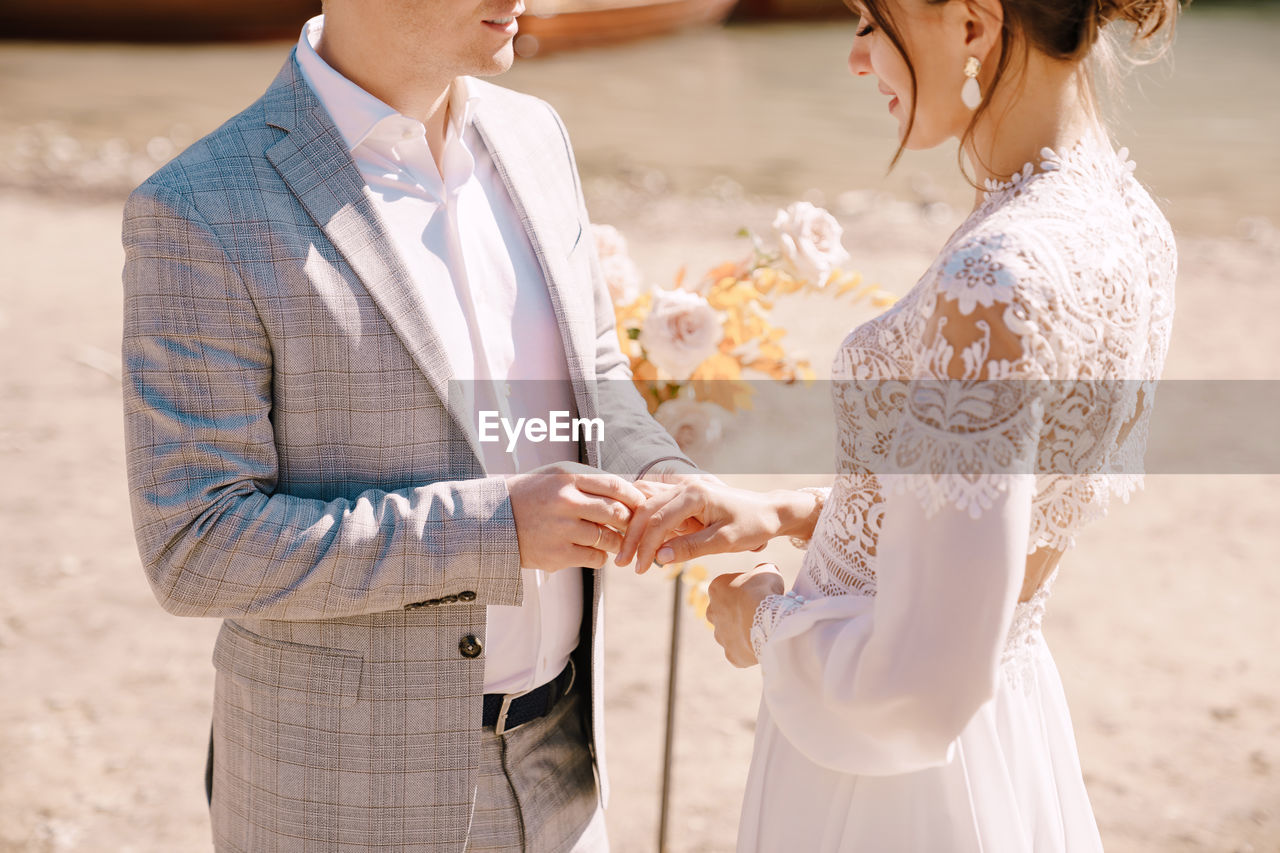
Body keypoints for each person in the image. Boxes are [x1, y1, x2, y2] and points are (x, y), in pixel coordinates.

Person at [119, 0, 697, 849]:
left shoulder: (537, 135)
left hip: (568, 769)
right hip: (340, 793)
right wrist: (492, 530)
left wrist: (657, 469)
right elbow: (195, 547)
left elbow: (595, 370)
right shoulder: (199, 209)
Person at [617, 0, 1179, 848]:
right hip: (1006, 721)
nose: (855, 57)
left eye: (870, 23)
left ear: (972, 26)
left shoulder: (996, 275)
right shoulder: (1132, 223)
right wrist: (793, 512)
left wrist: (765, 623)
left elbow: (916, 684)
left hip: (891, 777)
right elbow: (990, 517)